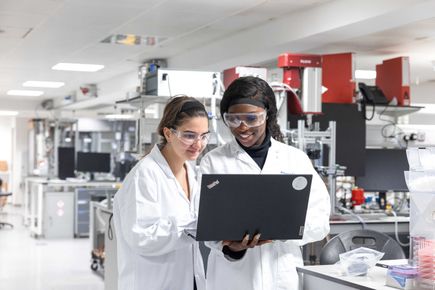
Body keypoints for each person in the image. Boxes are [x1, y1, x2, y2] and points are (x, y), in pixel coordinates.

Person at [199, 76, 331, 290]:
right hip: (232, 278)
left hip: (280, 274)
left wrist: (282, 229)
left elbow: (320, 220)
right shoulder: (213, 162)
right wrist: (233, 248)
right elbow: (205, 224)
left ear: (267, 115)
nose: (242, 127)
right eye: (233, 119)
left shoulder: (294, 159)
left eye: (252, 118)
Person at [113, 96, 209, 290]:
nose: (198, 144)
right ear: (168, 133)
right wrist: (192, 227)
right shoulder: (145, 174)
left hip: (186, 280)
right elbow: (141, 237)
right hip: (151, 283)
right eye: (189, 135)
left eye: (204, 136)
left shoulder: (192, 172)